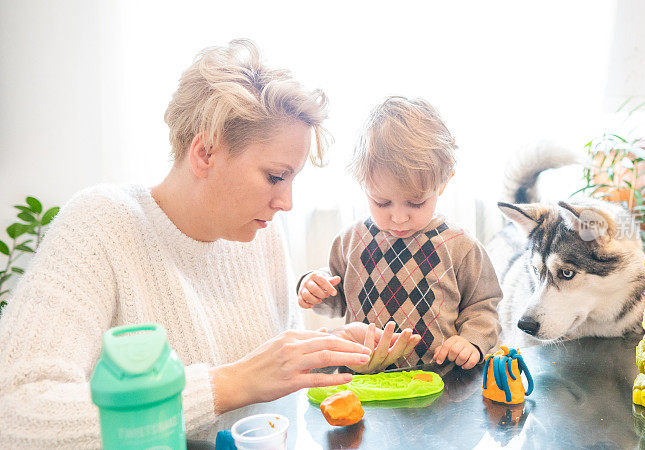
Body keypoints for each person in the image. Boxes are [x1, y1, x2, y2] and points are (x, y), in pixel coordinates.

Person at [0, 40, 416, 448]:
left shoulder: (259, 231)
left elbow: (273, 396)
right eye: (275, 177)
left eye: (292, 179)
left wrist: (333, 353)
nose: (286, 202)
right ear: (204, 152)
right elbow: (16, 414)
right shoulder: (100, 225)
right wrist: (227, 385)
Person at [297, 96, 502, 372]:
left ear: (443, 184)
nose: (399, 217)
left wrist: (471, 342)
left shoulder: (460, 247)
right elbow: (335, 301)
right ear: (363, 184)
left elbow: (483, 306)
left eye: (416, 203)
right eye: (382, 203)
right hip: (364, 379)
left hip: (435, 384)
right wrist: (315, 288)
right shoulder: (350, 241)